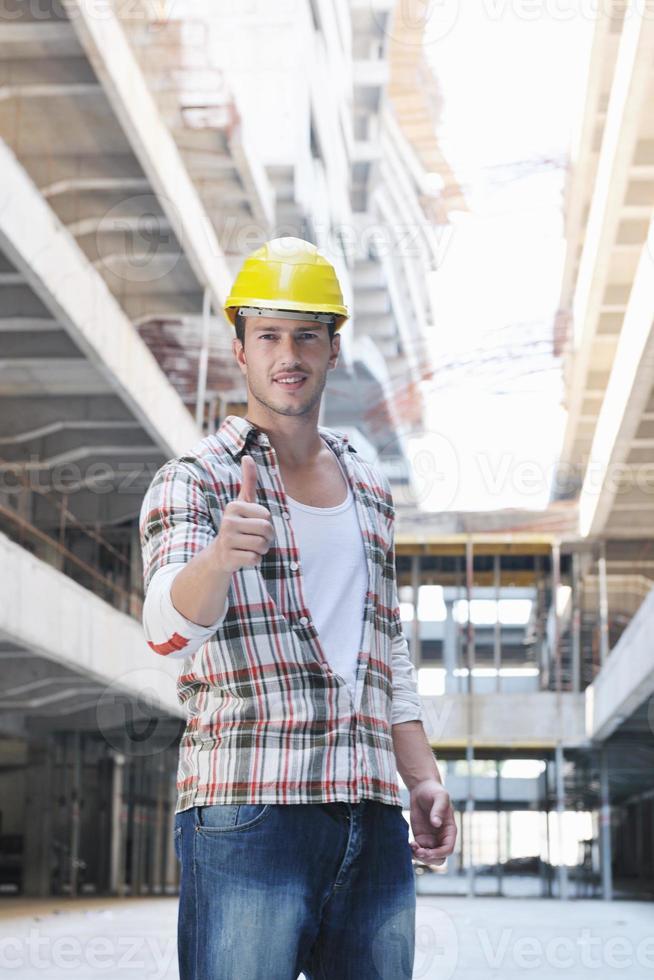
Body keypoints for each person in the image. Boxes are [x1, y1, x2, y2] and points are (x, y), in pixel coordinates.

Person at [139, 237, 456, 979]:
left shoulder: (368, 483)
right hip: (251, 810)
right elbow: (164, 634)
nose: (290, 354)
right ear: (240, 350)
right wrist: (217, 560)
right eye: (270, 336)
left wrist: (422, 779)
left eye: (307, 336)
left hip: (371, 816)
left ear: (332, 349)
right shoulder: (194, 481)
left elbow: (387, 648)